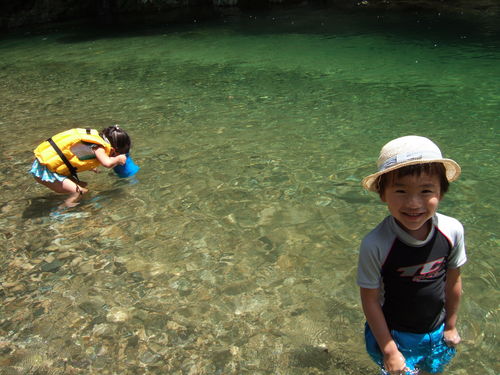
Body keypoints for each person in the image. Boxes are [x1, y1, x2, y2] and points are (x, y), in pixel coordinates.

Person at [357, 135, 467, 375]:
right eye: (401, 190)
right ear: (382, 194)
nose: (414, 203)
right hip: (394, 335)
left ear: (441, 192)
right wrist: (389, 350)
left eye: (426, 190)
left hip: (437, 330)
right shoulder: (375, 244)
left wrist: (450, 325)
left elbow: (453, 280)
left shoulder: (452, 231)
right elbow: (370, 300)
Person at [29, 125, 130, 207]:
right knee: (80, 192)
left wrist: (92, 167)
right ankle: (61, 212)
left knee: (83, 185)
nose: (113, 157)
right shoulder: (100, 147)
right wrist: (118, 159)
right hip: (46, 173)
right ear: (112, 150)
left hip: (44, 166)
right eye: (114, 155)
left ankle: (64, 203)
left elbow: (77, 154)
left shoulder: (93, 142)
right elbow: (107, 163)